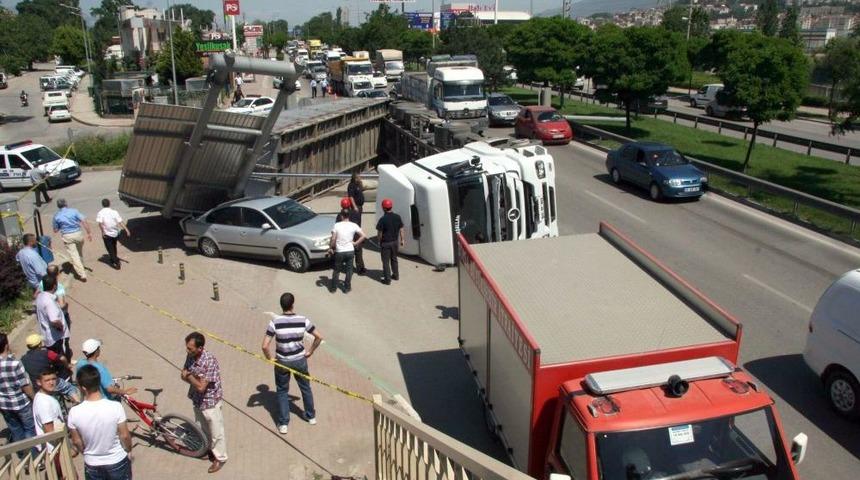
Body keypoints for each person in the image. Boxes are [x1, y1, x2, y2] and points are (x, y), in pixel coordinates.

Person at [261, 293, 323, 434]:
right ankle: (310, 416)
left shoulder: (275, 323)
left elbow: (264, 346)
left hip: (282, 362)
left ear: (281, 306)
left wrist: (270, 358)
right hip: (300, 360)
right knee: (305, 387)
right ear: (292, 304)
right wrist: (310, 351)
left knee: (282, 391)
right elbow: (319, 337)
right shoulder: (303, 320)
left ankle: (283, 423)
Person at [68, 365, 133, 480]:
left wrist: (87, 453)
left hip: (92, 463)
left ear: (83, 388)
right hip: (116, 460)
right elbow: (125, 435)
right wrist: (128, 449)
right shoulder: (116, 407)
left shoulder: (74, 412)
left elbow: (77, 441)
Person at [181, 332, 227, 473]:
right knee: (203, 427)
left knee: (216, 431)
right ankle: (208, 449)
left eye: (190, 349)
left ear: (200, 348)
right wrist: (189, 376)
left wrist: (189, 376)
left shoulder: (209, 361)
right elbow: (183, 373)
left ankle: (220, 458)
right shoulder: (191, 356)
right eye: (187, 348)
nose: (187, 351)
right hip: (197, 400)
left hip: (210, 401)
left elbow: (201, 387)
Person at [0, 333, 37, 459]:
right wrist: (34, 398)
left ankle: (23, 458)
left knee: (16, 430)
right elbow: (25, 385)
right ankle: (33, 457)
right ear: (6, 345)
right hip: (21, 403)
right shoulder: (15, 363)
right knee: (29, 430)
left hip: (4, 405)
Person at [21, 334, 79, 403]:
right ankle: (78, 403)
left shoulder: (23, 359)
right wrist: (68, 365)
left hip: (38, 386)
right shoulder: (46, 353)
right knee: (70, 388)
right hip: (51, 382)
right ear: (40, 344)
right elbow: (62, 358)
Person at [52, 198, 93, 282]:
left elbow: (55, 230)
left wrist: (61, 225)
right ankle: (81, 266)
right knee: (79, 252)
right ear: (66, 204)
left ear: (58, 206)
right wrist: (89, 233)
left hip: (67, 236)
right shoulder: (74, 211)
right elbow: (83, 220)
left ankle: (82, 274)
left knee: (74, 256)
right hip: (78, 234)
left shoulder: (56, 216)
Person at [328, 209, 366, 293]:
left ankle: (333, 288)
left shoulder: (337, 225)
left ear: (341, 216)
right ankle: (347, 288)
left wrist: (331, 247)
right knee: (349, 270)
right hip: (350, 251)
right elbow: (363, 235)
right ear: (349, 216)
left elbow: (333, 238)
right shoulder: (354, 225)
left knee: (337, 270)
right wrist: (355, 243)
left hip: (339, 251)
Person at [35, 275, 71, 360]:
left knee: (53, 356)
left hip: (49, 335)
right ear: (55, 286)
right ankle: (64, 371)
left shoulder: (41, 296)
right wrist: (61, 327)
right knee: (60, 357)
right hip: (56, 337)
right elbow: (54, 320)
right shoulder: (49, 302)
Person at [376, 198, 405, 285]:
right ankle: (396, 275)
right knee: (394, 259)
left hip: (386, 243)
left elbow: (380, 233)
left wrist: (379, 241)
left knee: (385, 262)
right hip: (395, 242)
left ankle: (387, 279)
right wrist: (402, 239)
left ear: (384, 208)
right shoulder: (397, 217)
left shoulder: (382, 219)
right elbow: (401, 228)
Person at [96, 199, 130, 270]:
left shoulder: (100, 213)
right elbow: (120, 222)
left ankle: (116, 262)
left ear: (102, 205)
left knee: (109, 248)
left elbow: (100, 224)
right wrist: (127, 230)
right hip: (115, 233)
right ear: (109, 204)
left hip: (107, 234)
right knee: (114, 246)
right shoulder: (114, 212)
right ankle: (113, 258)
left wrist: (103, 232)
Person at [341, 197, 366, 274]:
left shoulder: (340, 216)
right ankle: (361, 269)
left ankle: (348, 269)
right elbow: (358, 224)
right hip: (356, 236)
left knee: (347, 253)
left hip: (347, 237)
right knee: (358, 253)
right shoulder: (356, 213)